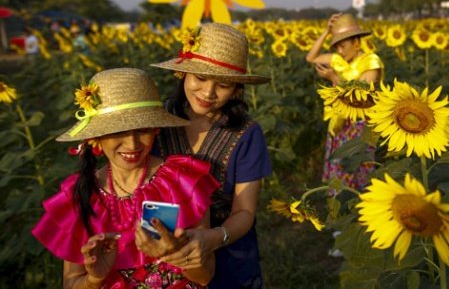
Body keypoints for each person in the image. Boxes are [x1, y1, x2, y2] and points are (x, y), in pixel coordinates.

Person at [31, 68, 219, 288]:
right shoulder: (82, 194)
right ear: (96, 137)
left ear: (156, 129)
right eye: (118, 132)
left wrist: (175, 253)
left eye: (143, 130)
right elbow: (71, 283)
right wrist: (94, 278)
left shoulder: (181, 181)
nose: (132, 145)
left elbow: (206, 276)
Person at [151, 23, 273, 289]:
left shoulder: (247, 134)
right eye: (200, 78)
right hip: (162, 253)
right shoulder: (156, 122)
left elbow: (244, 210)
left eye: (224, 84)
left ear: (237, 89)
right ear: (183, 73)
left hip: (228, 252)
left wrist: (211, 238)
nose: (208, 93)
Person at [305, 13, 384, 190]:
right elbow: (311, 58)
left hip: (363, 123)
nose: (339, 51)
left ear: (356, 42)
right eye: (336, 47)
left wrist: (335, 78)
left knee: (360, 164)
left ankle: (359, 207)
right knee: (340, 165)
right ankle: (338, 204)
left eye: (342, 46)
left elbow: (361, 94)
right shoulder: (338, 60)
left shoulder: (371, 62)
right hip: (340, 122)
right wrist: (326, 31)